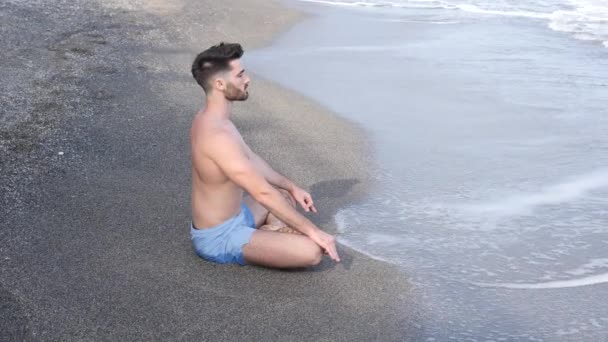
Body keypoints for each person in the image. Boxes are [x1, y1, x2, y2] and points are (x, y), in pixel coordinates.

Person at [189, 42, 340, 268]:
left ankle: (273, 234)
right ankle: (275, 236)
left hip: (238, 216)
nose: (247, 79)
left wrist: (291, 187)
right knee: (312, 251)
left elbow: (252, 160)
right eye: (240, 75)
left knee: (284, 195)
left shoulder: (215, 119)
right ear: (220, 84)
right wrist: (315, 232)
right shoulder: (216, 135)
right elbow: (261, 193)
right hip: (220, 238)